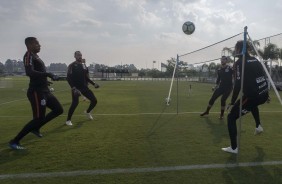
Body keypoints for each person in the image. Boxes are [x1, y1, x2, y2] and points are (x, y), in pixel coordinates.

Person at [9, 37, 63, 150]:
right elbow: (30, 72)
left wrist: (45, 80)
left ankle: (36, 128)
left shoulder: (36, 56)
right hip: (36, 92)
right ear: (29, 45)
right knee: (38, 118)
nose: (39, 45)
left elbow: (37, 73)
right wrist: (48, 74)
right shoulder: (28, 55)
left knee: (58, 109)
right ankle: (15, 141)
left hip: (44, 90)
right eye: (37, 43)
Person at [222, 40, 269, 154]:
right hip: (263, 93)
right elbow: (264, 76)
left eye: (236, 48)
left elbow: (237, 85)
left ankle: (234, 148)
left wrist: (232, 102)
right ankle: (258, 125)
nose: (235, 50)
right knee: (252, 104)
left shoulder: (239, 63)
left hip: (254, 96)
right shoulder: (256, 60)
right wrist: (266, 93)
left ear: (239, 49)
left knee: (231, 117)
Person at [65, 51, 99, 126]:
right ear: (75, 56)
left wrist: (94, 84)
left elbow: (86, 77)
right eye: (78, 55)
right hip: (76, 88)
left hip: (84, 87)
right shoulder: (71, 65)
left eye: (81, 55)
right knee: (75, 103)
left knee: (94, 100)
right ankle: (68, 120)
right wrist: (73, 88)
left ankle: (87, 112)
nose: (80, 57)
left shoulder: (84, 65)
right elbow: (68, 78)